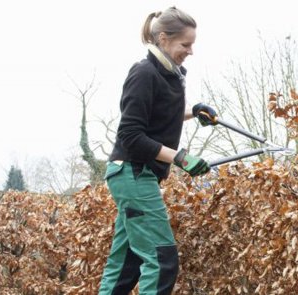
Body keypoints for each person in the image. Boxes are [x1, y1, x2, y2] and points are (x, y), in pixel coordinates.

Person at [98, 7, 217, 295]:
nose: (190, 51)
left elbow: (158, 116)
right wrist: (180, 157)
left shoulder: (166, 74)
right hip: (133, 172)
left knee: (126, 263)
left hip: (135, 176)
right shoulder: (144, 73)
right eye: (185, 45)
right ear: (163, 38)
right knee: (162, 260)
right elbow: (131, 136)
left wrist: (193, 112)